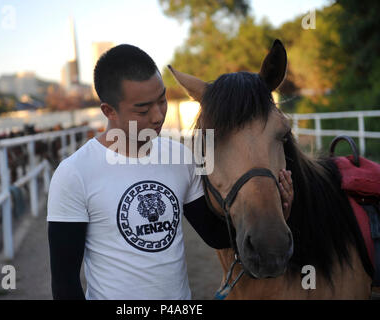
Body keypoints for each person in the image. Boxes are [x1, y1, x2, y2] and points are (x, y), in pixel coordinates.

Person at [47, 44, 293, 300]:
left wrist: (275, 212)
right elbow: (65, 283)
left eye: (162, 100)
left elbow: (216, 236)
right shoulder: (74, 174)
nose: (158, 116)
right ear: (109, 111)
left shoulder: (180, 157)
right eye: (143, 109)